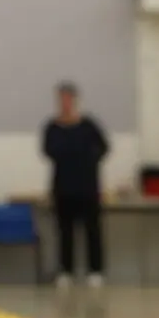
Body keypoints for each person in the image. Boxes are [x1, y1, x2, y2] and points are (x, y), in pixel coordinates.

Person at [41, 82, 109, 289]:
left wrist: (87, 159)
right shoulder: (52, 127)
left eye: (69, 98)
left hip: (87, 186)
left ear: (75, 100)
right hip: (63, 186)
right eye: (61, 98)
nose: (65, 102)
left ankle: (95, 271)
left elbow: (104, 147)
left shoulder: (88, 125)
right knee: (64, 231)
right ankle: (65, 270)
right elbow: (48, 151)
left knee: (92, 230)